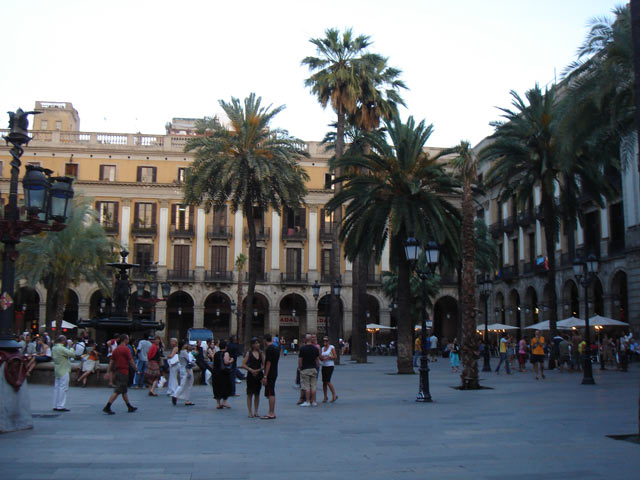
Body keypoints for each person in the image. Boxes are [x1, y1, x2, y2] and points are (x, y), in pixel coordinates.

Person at [103, 334, 138, 414]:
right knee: (118, 390)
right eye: (128, 339)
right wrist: (136, 369)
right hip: (123, 372)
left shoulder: (116, 349)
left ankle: (129, 406)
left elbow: (111, 362)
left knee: (123, 390)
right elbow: (131, 360)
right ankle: (107, 406)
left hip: (118, 371)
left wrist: (108, 372)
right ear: (125, 340)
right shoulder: (126, 349)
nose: (128, 340)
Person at [241, 337, 264, 417]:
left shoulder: (261, 353)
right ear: (252, 345)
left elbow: (264, 365)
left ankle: (256, 411)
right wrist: (250, 369)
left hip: (258, 374)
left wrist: (258, 370)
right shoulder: (249, 353)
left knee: (257, 394)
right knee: (250, 393)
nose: (257, 344)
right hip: (251, 375)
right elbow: (243, 364)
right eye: (256, 343)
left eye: (258, 343)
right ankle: (250, 411)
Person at [52, 335, 76, 412]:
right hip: (64, 369)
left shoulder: (54, 348)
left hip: (57, 369)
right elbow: (71, 354)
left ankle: (55, 404)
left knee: (57, 388)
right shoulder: (61, 348)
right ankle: (61, 405)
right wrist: (71, 346)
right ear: (63, 341)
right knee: (63, 388)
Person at [298, 334, 320, 407]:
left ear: (305, 339)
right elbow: (317, 360)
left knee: (307, 386)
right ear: (311, 339)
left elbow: (300, 360)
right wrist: (317, 367)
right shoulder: (315, 349)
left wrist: (300, 367)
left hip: (305, 369)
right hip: (313, 368)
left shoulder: (302, 349)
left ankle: (307, 401)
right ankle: (314, 401)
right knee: (313, 386)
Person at [261, 334, 279, 419]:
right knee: (271, 390)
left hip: (270, 372)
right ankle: (271, 411)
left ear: (265, 340)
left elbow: (268, 363)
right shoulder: (276, 348)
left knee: (270, 392)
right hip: (275, 371)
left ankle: (271, 412)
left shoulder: (269, 349)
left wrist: (265, 376)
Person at [172, 342, 195, 406]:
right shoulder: (184, 352)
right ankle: (176, 395)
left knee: (183, 384)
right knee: (187, 384)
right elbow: (189, 361)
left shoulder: (180, 352)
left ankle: (185, 398)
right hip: (187, 369)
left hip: (182, 368)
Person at [212, 339, 233, 409]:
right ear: (226, 347)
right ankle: (224, 401)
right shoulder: (226, 353)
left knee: (217, 387)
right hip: (223, 373)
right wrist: (231, 360)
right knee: (225, 386)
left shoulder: (216, 353)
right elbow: (226, 362)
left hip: (216, 372)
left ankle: (218, 403)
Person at [320, 336, 338, 403]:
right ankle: (325, 396)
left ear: (328, 341)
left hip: (330, 365)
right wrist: (322, 358)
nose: (325, 342)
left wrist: (329, 357)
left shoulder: (331, 347)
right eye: (324, 340)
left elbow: (335, 356)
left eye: (326, 341)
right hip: (324, 365)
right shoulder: (322, 348)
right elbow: (321, 357)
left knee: (328, 381)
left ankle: (334, 395)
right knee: (324, 382)